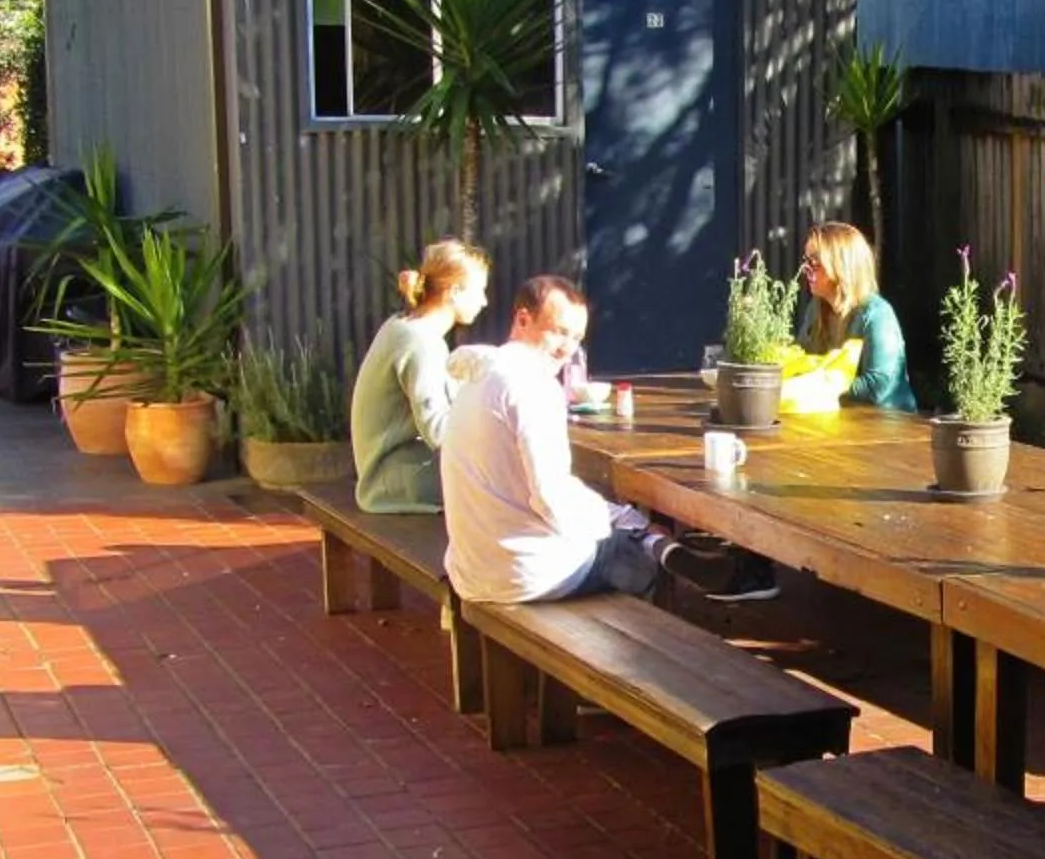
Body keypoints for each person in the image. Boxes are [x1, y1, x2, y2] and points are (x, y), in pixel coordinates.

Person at [443, 274, 774, 604]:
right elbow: (551, 496)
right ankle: (656, 630)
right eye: (558, 331)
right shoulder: (532, 387)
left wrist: (616, 516)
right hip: (524, 573)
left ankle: (657, 543)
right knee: (630, 557)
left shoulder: (480, 372)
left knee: (617, 522)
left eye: (576, 338)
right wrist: (616, 520)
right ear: (522, 319)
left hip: (472, 568)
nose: (567, 348)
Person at [350, 241, 489, 512]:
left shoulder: (406, 325)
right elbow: (438, 431)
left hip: (393, 470)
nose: (484, 301)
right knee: (505, 481)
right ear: (455, 291)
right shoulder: (420, 342)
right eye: (480, 290)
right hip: (391, 481)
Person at [798, 221, 919, 410]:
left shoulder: (877, 314)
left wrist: (822, 385)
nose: (806, 268)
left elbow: (880, 384)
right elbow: (802, 358)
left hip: (888, 426)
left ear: (840, 264)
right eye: (805, 260)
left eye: (814, 262)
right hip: (840, 422)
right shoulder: (816, 309)